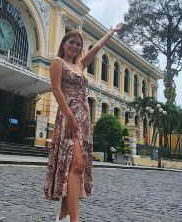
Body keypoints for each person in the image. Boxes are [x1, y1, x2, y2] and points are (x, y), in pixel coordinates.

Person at [44, 24, 123, 222]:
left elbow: (96, 49)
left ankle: (64, 212)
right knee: (77, 165)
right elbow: (56, 89)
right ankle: (74, 220)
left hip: (84, 121)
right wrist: (69, 115)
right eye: (71, 42)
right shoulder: (57, 62)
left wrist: (110, 33)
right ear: (63, 44)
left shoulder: (79, 66)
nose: (75, 46)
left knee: (75, 167)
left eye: (78, 44)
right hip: (68, 118)